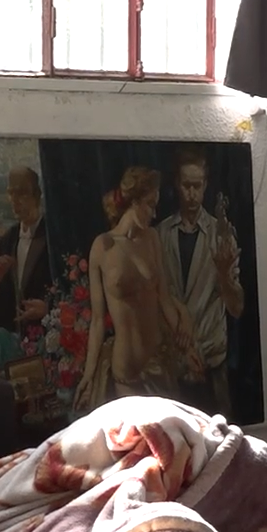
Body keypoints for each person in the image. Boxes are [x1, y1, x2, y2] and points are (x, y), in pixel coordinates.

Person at [74, 166, 203, 414]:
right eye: (150, 205)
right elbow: (98, 321)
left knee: (167, 434)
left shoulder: (152, 238)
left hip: (160, 363)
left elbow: (164, 299)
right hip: (126, 370)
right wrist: (88, 375)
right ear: (133, 201)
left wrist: (187, 346)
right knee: (137, 436)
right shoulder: (103, 247)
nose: (154, 213)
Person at [155, 148, 246, 417]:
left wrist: (224, 275)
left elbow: (236, 308)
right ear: (177, 184)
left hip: (211, 362)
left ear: (206, 185)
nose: (192, 194)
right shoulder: (161, 235)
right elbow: (156, 299)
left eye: (197, 186)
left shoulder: (221, 234)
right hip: (173, 363)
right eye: (187, 186)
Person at [0, 166, 53, 338]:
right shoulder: (3, 244)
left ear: (37, 195)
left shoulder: (53, 239)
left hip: (46, 340)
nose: (15, 200)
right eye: (11, 193)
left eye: (22, 193)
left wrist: (48, 309)